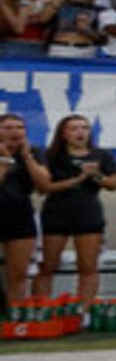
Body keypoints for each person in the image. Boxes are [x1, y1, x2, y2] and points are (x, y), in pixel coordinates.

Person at [30, 115, 116, 321]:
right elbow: (44, 188)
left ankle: (84, 312)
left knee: (88, 266)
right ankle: (41, 309)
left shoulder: (101, 155)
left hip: (88, 213)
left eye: (85, 128)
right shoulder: (51, 156)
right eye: (74, 128)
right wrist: (78, 179)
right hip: (56, 213)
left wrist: (95, 176)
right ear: (63, 133)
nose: (80, 132)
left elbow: (114, 184)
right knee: (47, 266)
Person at [0, 114, 39, 314]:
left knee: (18, 273)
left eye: (20, 127)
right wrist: (4, 161)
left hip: (19, 216)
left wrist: (28, 157)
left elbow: (44, 185)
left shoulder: (32, 153)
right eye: (8, 127)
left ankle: (15, 316)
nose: (15, 132)